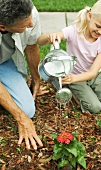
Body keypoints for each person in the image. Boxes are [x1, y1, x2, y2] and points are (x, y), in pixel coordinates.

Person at [37, 0, 101, 114]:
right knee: (94, 107)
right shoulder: (74, 31)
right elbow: (40, 42)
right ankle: (68, 88)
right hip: (74, 76)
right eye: (98, 26)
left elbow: (93, 73)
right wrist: (50, 37)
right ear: (90, 16)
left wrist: (74, 79)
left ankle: (80, 90)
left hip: (93, 77)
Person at [0, 0, 49, 150]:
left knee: (28, 109)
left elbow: (32, 46)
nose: (31, 25)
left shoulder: (29, 13)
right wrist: (21, 119)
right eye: (24, 25)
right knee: (23, 114)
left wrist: (36, 80)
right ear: (2, 27)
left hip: (4, 62)